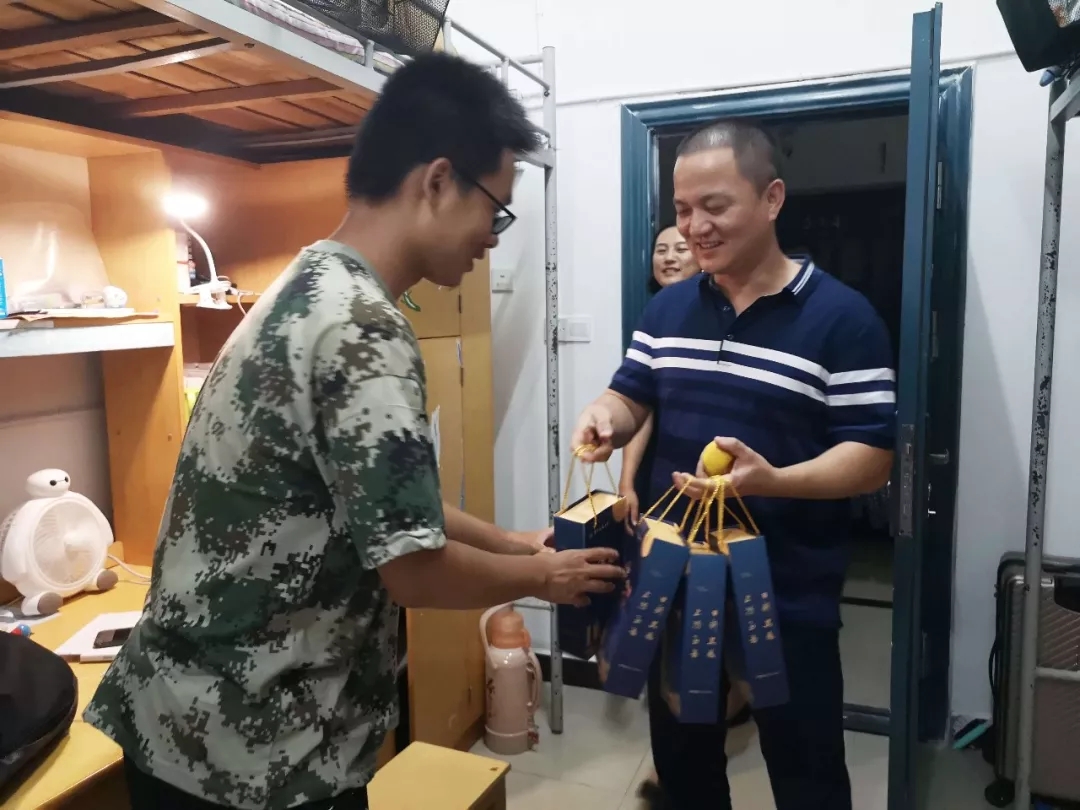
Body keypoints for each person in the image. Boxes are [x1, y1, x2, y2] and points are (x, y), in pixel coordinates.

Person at [83, 53, 624, 810]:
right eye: (495, 211)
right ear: (437, 182)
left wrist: (515, 544)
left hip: (189, 728)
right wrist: (545, 579)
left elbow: (388, 505)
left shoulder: (311, 284)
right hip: (254, 757)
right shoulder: (364, 330)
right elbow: (415, 571)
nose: (493, 238)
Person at [572, 120, 895, 810]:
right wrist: (605, 414)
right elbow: (632, 394)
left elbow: (871, 457)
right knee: (685, 773)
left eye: (714, 206)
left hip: (787, 597)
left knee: (808, 779)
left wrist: (774, 480)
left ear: (772, 198)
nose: (695, 227)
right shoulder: (667, 309)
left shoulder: (844, 319)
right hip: (675, 586)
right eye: (683, 209)